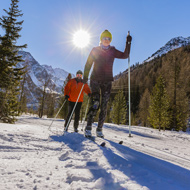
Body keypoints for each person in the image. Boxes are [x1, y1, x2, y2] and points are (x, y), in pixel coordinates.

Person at [83, 30, 132, 137]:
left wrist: (128, 43)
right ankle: (88, 127)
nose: (106, 40)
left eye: (109, 39)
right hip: (95, 79)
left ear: (110, 40)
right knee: (95, 103)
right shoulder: (95, 50)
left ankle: (99, 129)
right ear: (101, 39)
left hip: (107, 81)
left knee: (104, 106)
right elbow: (88, 64)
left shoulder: (113, 50)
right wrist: (85, 77)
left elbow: (125, 55)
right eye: (105, 38)